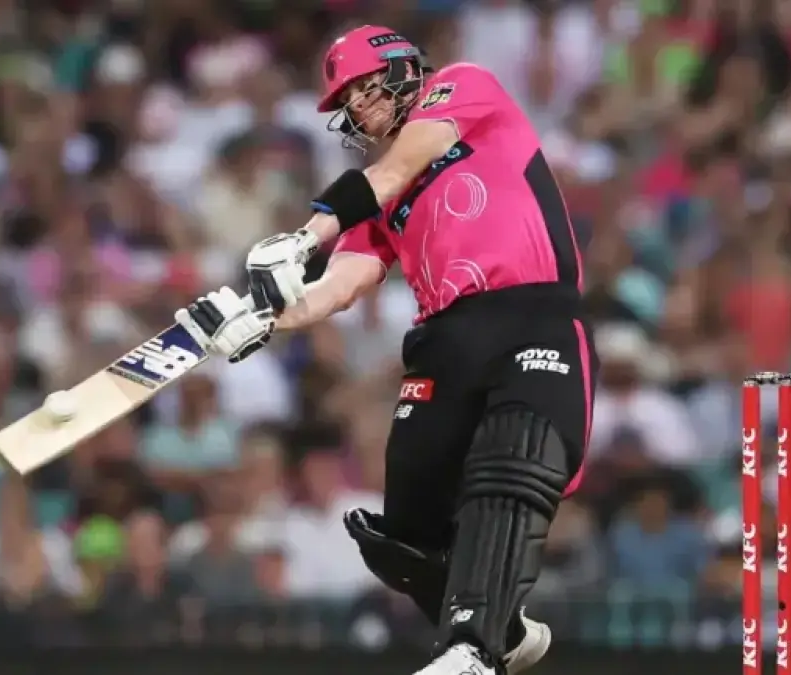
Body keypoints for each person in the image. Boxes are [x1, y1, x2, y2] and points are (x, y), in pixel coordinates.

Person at [176, 25, 596, 675]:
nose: (360, 107)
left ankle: (473, 649)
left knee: (513, 461)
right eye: (349, 101)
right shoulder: (373, 199)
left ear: (403, 69)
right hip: (444, 339)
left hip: (530, 313)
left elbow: (398, 167)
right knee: (407, 527)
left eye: (366, 87)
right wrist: (260, 317)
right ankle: (506, 630)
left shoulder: (463, 88)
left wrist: (305, 235)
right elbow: (339, 285)